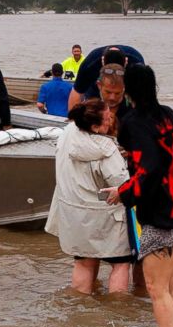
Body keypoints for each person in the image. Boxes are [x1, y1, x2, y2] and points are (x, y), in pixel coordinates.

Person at [105, 64, 173, 327]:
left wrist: (123, 193)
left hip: (161, 213)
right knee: (170, 286)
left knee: (157, 290)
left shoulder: (133, 121)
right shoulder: (167, 114)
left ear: (126, 90)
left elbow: (150, 168)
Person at [45, 98, 132, 294]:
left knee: (84, 262)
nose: (111, 120)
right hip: (107, 216)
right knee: (120, 264)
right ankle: (119, 315)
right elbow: (122, 182)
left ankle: (80, 311)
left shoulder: (67, 134)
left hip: (73, 213)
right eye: (107, 118)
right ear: (94, 126)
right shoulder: (106, 149)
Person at [67, 45, 144, 110]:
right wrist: (74, 123)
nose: (112, 98)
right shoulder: (90, 64)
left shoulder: (136, 63)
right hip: (95, 90)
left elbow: (145, 96)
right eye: (108, 92)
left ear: (126, 62)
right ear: (102, 61)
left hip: (126, 87)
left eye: (116, 94)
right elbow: (77, 92)